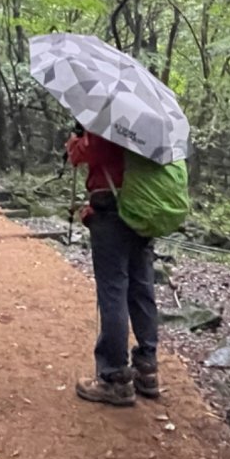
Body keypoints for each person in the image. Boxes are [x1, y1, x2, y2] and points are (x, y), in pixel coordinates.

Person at [66, 128, 159, 406]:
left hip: (111, 210)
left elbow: (91, 151)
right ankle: (147, 369)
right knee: (142, 288)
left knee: (113, 291)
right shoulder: (149, 119)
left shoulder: (111, 117)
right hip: (143, 208)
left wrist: (74, 143)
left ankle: (115, 377)